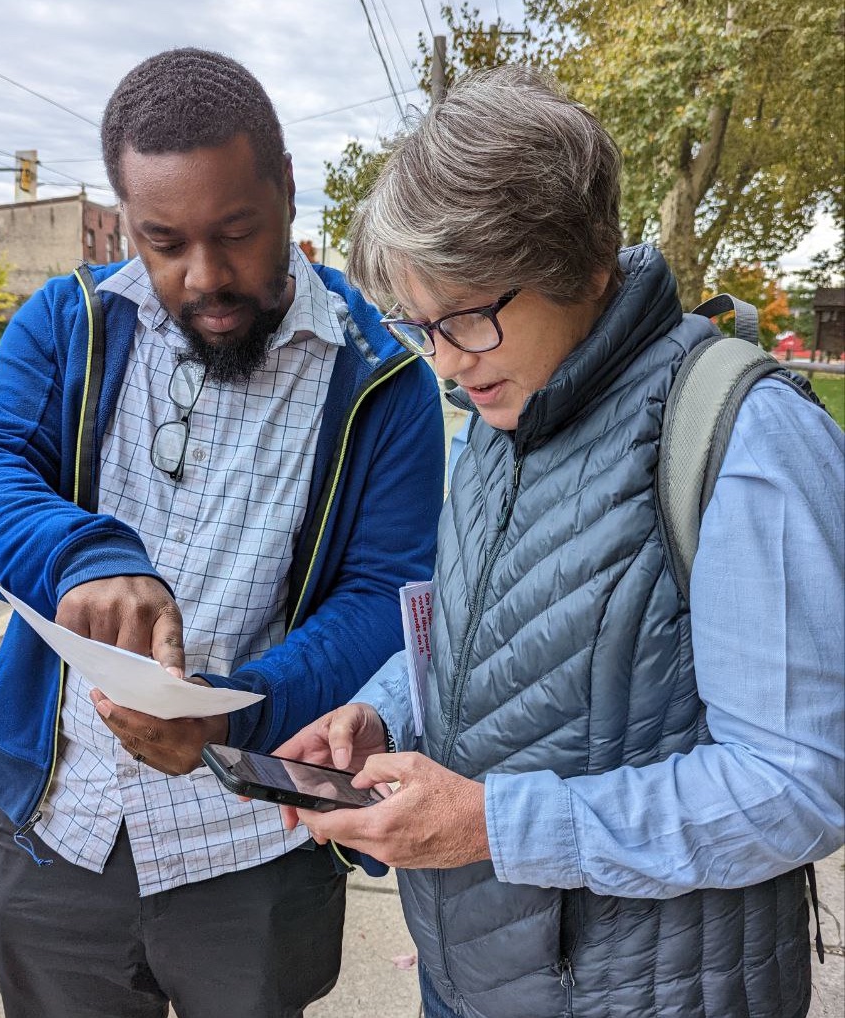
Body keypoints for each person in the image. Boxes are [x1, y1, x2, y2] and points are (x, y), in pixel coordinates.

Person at [276, 64, 845, 1018]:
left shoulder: (744, 436)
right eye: (422, 326)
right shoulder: (499, 412)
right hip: (475, 980)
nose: (448, 363)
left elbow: (798, 785)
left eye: (469, 317)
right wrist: (379, 716)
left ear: (580, 263)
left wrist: (493, 824)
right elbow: (483, 647)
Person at [0, 48, 443, 1018]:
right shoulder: (71, 323)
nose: (203, 274)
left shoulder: (385, 382)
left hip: (251, 845)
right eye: (163, 240)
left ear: (288, 192)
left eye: (236, 233)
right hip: (58, 830)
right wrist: (83, 555)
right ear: (128, 219)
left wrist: (232, 710)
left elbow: (386, 595)